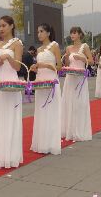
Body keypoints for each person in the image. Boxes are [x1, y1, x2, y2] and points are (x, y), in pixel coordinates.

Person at [0, 16, 23, 169]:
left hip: (10, 82)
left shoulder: (17, 43)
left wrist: (8, 57)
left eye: (4, 25)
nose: (1, 29)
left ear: (11, 26)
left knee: (8, 117)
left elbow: (18, 67)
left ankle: (10, 154)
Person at [30, 23, 62, 155]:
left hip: (51, 80)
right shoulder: (38, 50)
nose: (39, 34)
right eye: (38, 31)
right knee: (41, 111)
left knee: (51, 111)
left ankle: (51, 143)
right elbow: (39, 68)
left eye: (41, 31)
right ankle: (41, 142)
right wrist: (35, 68)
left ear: (48, 33)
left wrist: (46, 65)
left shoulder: (55, 46)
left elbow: (59, 67)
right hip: (40, 81)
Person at [62, 27, 94, 142]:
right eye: (71, 33)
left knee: (79, 103)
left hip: (80, 78)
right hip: (70, 77)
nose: (72, 35)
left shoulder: (84, 47)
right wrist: (66, 58)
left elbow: (91, 61)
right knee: (68, 101)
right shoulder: (68, 48)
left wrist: (82, 58)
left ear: (80, 34)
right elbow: (67, 64)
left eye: (74, 33)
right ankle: (68, 128)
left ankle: (79, 129)